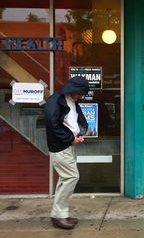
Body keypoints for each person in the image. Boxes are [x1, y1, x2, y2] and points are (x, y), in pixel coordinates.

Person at [44, 76, 89, 230]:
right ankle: (58, 215)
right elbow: (53, 125)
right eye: (81, 93)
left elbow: (74, 120)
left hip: (68, 145)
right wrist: (70, 139)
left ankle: (61, 213)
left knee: (65, 178)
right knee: (72, 176)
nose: (81, 96)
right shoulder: (55, 101)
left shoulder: (71, 100)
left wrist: (79, 133)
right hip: (61, 146)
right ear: (74, 90)